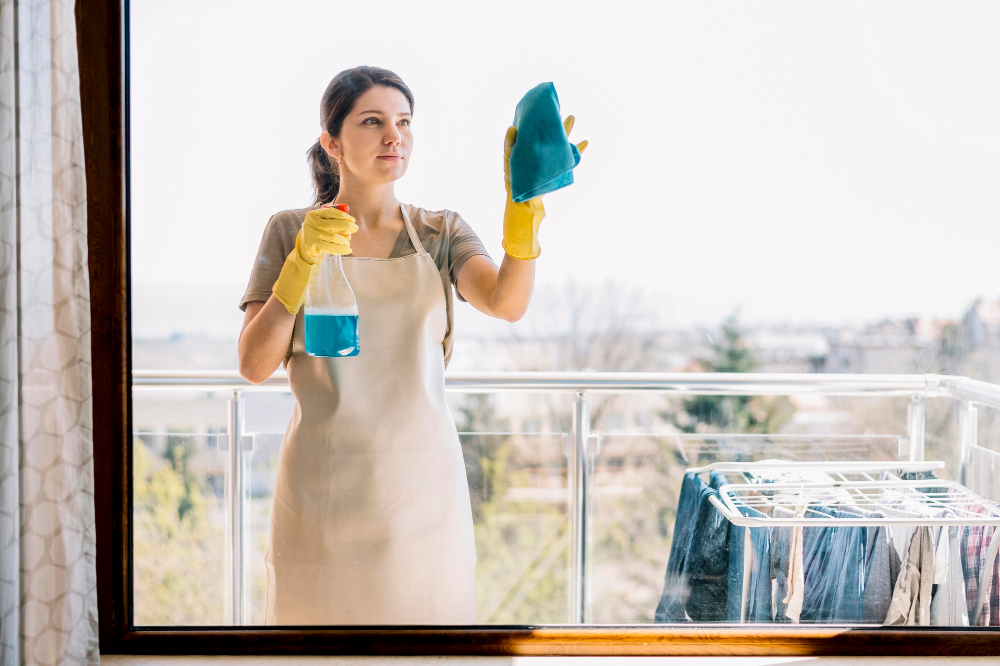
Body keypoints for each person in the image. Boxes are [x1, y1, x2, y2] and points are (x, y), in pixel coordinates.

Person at [237, 66, 587, 625]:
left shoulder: (440, 231)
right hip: (321, 486)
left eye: (403, 122)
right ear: (332, 142)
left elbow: (506, 302)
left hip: (422, 491)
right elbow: (255, 365)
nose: (393, 136)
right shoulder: (289, 231)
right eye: (372, 122)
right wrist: (301, 263)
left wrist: (523, 220)